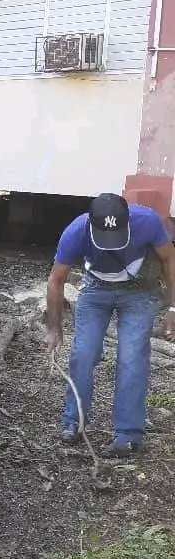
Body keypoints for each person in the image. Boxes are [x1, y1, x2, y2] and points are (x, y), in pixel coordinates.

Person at [45, 193, 175, 456]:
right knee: (83, 353)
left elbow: (169, 260)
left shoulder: (148, 222)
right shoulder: (77, 231)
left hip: (140, 291)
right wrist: (54, 328)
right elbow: (56, 280)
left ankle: (128, 433)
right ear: (91, 225)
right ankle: (74, 422)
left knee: (131, 357)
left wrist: (173, 307)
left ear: (128, 223)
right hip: (95, 289)